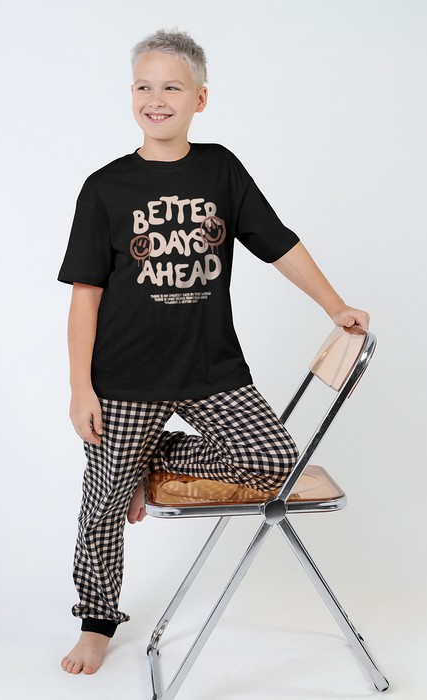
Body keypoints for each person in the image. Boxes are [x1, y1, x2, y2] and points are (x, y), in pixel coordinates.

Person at [58, 28, 369, 676]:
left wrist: (333, 304)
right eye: (144, 86)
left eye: (171, 87)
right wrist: (80, 387)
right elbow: (85, 296)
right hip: (123, 377)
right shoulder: (105, 187)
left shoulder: (220, 169)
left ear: (199, 98)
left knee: (273, 459)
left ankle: (148, 457)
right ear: (131, 95)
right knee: (103, 505)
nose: (156, 98)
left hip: (210, 369)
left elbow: (277, 241)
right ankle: (96, 619)